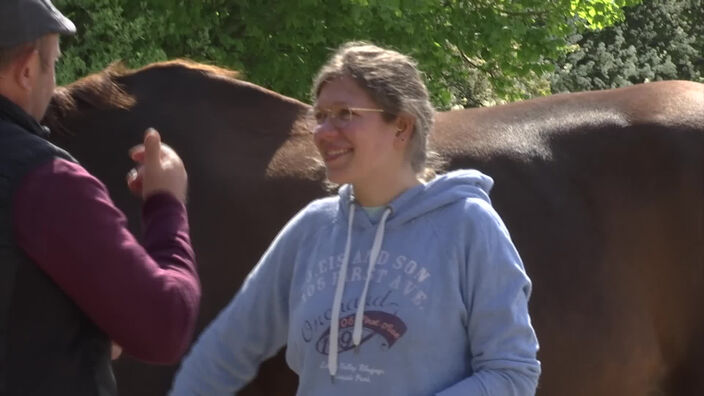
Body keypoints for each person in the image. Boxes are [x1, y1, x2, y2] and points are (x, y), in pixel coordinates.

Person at [171, 41, 539, 395]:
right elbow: (224, 349)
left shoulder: (468, 225)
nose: (323, 133)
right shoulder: (313, 228)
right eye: (321, 116)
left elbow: (512, 373)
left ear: (401, 126)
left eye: (345, 114)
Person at [0, 0, 200, 394]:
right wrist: (166, 203)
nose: (53, 79)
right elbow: (164, 325)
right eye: (52, 63)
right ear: (26, 70)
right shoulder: (46, 182)